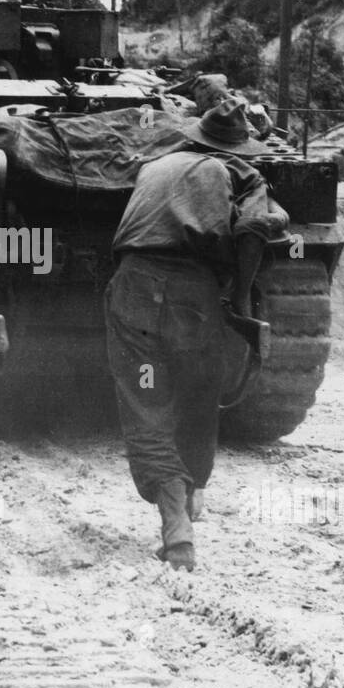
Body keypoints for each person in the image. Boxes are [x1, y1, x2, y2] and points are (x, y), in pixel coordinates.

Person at [105, 100, 287, 571]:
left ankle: (176, 527)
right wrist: (242, 298)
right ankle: (187, 506)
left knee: (147, 401)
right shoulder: (241, 175)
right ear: (237, 146)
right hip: (194, 297)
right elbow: (254, 225)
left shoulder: (156, 163)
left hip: (135, 288)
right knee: (198, 397)